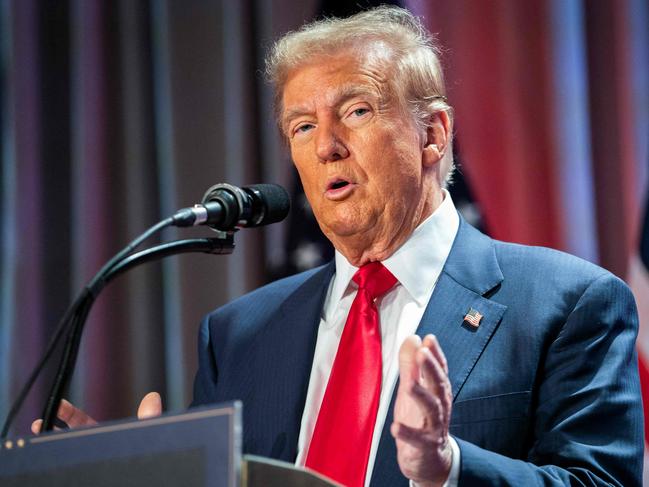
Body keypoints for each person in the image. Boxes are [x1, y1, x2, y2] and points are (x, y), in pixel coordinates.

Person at [35, 6, 643, 487]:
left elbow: (600, 482)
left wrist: (448, 468)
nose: (326, 145)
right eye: (302, 126)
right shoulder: (236, 335)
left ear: (432, 134)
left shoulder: (567, 304)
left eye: (355, 110)